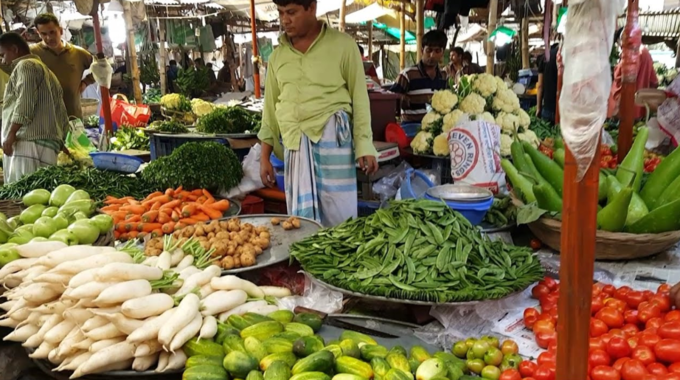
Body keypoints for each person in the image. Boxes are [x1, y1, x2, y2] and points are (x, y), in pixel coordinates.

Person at [258, 0, 378, 227]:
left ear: (311, 7)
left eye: (292, 12)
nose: (285, 20)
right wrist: (264, 157)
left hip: (333, 140)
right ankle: (308, 263)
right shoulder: (277, 57)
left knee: (339, 219)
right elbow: (270, 112)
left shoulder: (343, 46)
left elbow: (360, 100)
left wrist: (364, 145)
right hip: (295, 145)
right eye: (281, 13)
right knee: (301, 224)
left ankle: (343, 260)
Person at [0, 32, 69, 184]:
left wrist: (11, 133)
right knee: (42, 195)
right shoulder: (48, 72)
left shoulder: (26, 65)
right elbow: (61, 110)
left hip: (27, 141)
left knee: (22, 194)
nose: (3, 61)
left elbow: (25, 101)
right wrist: (62, 139)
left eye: (3, 55)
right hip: (48, 143)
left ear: (14, 49)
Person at [30, 13, 94, 119]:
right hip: (44, 120)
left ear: (60, 30)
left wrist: (86, 82)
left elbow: (102, 69)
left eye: (52, 32)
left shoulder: (79, 53)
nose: (49, 37)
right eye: (44, 34)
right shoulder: (32, 53)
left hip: (72, 116)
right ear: (38, 33)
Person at [390, 30, 448, 123]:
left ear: (442, 53)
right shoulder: (407, 74)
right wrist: (402, 99)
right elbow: (391, 98)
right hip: (410, 126)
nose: (432, 55)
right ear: (422, 51)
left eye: (437, 51)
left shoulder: (444, 76)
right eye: (429, 50)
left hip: (436, 127)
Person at [608, 27, 658, 119]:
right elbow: (654, 81)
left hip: (625, 105)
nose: (620, 46)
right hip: (640, 104)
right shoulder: (645, 51)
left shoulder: (631, 53)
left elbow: (620, 78)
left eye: (619, 43)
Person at [537, 42, 559, 123]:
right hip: (562, 109)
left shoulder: (544, 58)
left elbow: (539, 86)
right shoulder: (564, 57)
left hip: (547, 108)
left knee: (547, 135)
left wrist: (538, 108)